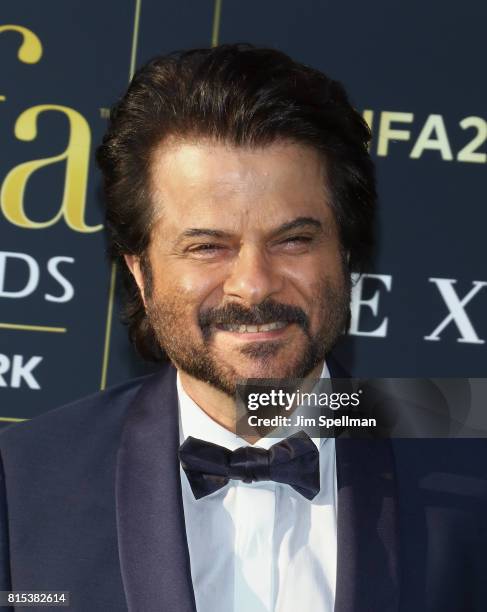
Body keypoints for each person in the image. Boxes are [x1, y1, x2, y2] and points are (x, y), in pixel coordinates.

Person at [0, 44, 486, 612]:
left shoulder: (467, 464)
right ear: (140, 272)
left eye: (293, 240)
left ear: (346, 253)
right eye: (207, 246)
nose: (253, 285)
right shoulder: (20, 483)